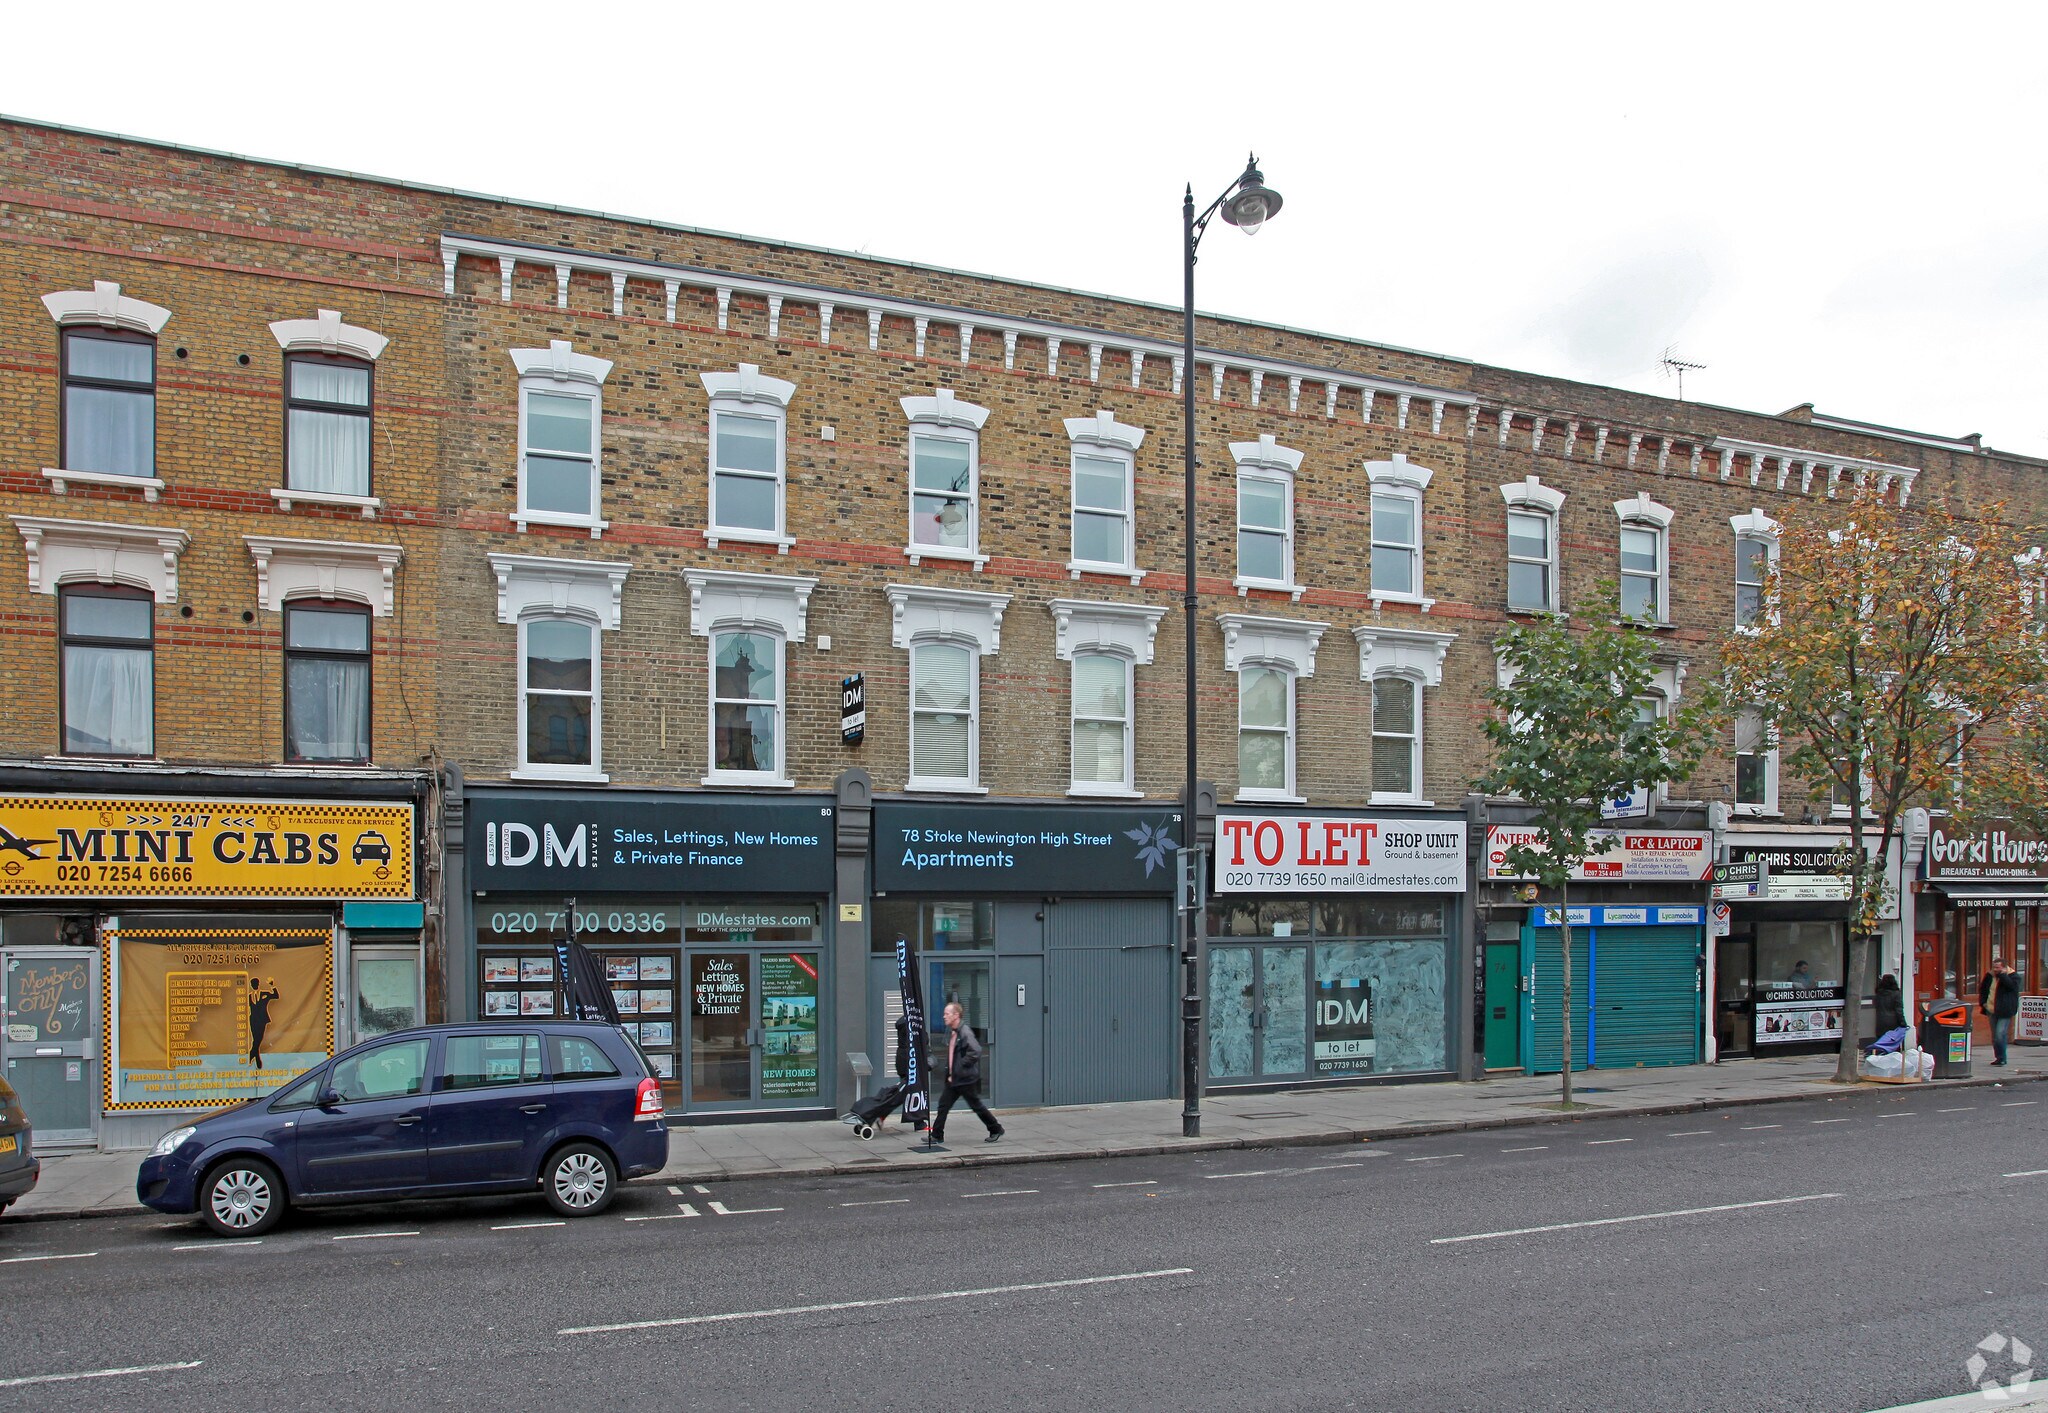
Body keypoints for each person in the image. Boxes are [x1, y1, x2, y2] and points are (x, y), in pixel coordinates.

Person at [930, 1001, 1003, 1145]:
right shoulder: (954, 1032)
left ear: (956, 1015)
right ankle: (937, 1135)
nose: (944, 1016)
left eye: (947, 1014)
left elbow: (975, 1051)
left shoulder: (964, 1032)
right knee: (943, 1105)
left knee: (976, 1106)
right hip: (955, 1078)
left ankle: (995, 1128)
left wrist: (960, 1065)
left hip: (965, 1078)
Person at [1980, 958, 2021, 1067]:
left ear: (2004, 967)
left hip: (2005, 1010)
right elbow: (1983, 989)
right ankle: (1998, 1057)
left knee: (2000, 1034)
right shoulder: (1989, 976)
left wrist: (2003, 976)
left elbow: (2011, 987)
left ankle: (2002, 1058)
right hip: (1991, 1009)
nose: (1995, 969)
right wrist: (1983, 1002)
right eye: (1994, 967)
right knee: (1995, 1036)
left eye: (1998, 967)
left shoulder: (2013, 976)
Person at [1863, 973, 1908, 1054]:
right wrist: (1903, 1023)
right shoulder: (1896, 994)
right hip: (1893, 1023)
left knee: (1881, 1044)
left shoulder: (1879, 994)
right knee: (1893, 1044)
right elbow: (1899, 1010)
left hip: (1880, 1022)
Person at [247, 978, 281, 1068]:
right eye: (252, 984)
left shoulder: (264, 993)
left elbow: (276, 996)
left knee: (258, 1039)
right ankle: (257, 1059)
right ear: (251, 985)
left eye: (255, 983)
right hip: (253, 1020)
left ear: (258, 984)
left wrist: (272, 985)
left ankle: (251, 1054)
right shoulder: (249, 996)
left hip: (262, 1019)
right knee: (256, 1040)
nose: (254, 985)